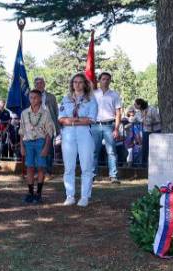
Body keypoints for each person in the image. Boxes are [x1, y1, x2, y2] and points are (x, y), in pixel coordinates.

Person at [59, 73, 98, 207]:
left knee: (86, 166)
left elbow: (91, 119)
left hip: (84, 134)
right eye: (75, 82)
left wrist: (72, 120)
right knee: (69, 167)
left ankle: (84, 196)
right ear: (72, 84)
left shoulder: (91, 99)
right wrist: (77, 120)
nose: (77, 84)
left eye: (80, 82)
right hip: (68, 134)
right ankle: (70, 195)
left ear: (85, 84)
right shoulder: (66, 99)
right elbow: (61, 119)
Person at [19, 90, 56, 203]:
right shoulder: (24, 113)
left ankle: (38, 193)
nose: (33, 99)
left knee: (41, 167)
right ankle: (30, 192)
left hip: (41, 142)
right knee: (29, 167)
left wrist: (46, 147)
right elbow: (21, 131)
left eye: (35, 97)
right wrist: (22, 146)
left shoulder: (45, 113)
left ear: (40, 99)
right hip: (28, 142)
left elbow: (49, 132)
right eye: (31, 97)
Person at [91, 72, 122, 184]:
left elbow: (118, 113)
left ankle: (113, 176)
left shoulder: (114, 95)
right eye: (103, 79)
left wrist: (116, 129)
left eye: (108, 79)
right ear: (99, 80)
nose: (106, 81)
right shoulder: (93, 94)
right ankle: (92, 175)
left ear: (110, 81)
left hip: (109, 125)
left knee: (111, 152)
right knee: (94, 151)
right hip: (95, 126)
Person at [34, 77, 59, 175]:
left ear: (44, 84)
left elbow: (56, 112)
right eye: (37, 83)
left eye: (41, 83)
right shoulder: (31, 96)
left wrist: (57, 128)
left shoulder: (51, 97)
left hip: (49, 125)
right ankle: (37, 171)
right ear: (34, 85)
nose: (39, 85)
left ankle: (48, 171)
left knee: (48, 150)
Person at [134, 98, 161, 166]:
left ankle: (156, 164)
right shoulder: (138, 112)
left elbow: (158, 120)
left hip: (155, 130)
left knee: (156, 148)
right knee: (145, 148)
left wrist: (150, 122)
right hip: (146, 131)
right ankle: (144, 164)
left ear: (139, 105)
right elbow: (138, 119)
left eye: (135, 104)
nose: (134, 105)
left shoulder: (152, 109)